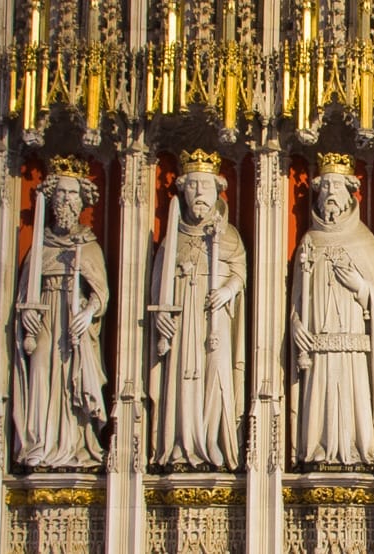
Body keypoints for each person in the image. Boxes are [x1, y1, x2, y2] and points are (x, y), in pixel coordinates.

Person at [150, 149, 247, 470]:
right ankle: (180, 445)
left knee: (215, 376)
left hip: (215, 320)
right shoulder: (172, 239)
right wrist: (162, 315)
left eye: (205, 187)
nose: (199, 194)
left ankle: (213, 442)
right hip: (182, 321)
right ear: (182, 191)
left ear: (218, 191)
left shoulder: (229, 236)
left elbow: (241, 273)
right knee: (181, 380)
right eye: (192, 186)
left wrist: (228, 290)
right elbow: (158, 283)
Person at [14, 155, 108, 469]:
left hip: (74, 321)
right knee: (41, 375)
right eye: (62, 194)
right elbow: (25, 292)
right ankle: (40, 444)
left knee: (71, 380)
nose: (66, 201)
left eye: (72, 194)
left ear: (82, 201)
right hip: (45, 319)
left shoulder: (89, 245)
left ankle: (75, 444)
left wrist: (89, 311)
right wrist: (25, 313)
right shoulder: (40, 246)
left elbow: (100, 293)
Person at [290, 153, 374, 465]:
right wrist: (295, 324)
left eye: (336, 186)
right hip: (318, 342)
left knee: (355, 394)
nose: (330, 193)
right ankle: (316, 447)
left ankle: (358, 448)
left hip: (353, 341)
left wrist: (360, 285)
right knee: (319, 397)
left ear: (350, 192)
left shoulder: (364, 240)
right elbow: (298, 298)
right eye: (325, 186)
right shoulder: (310, 240)